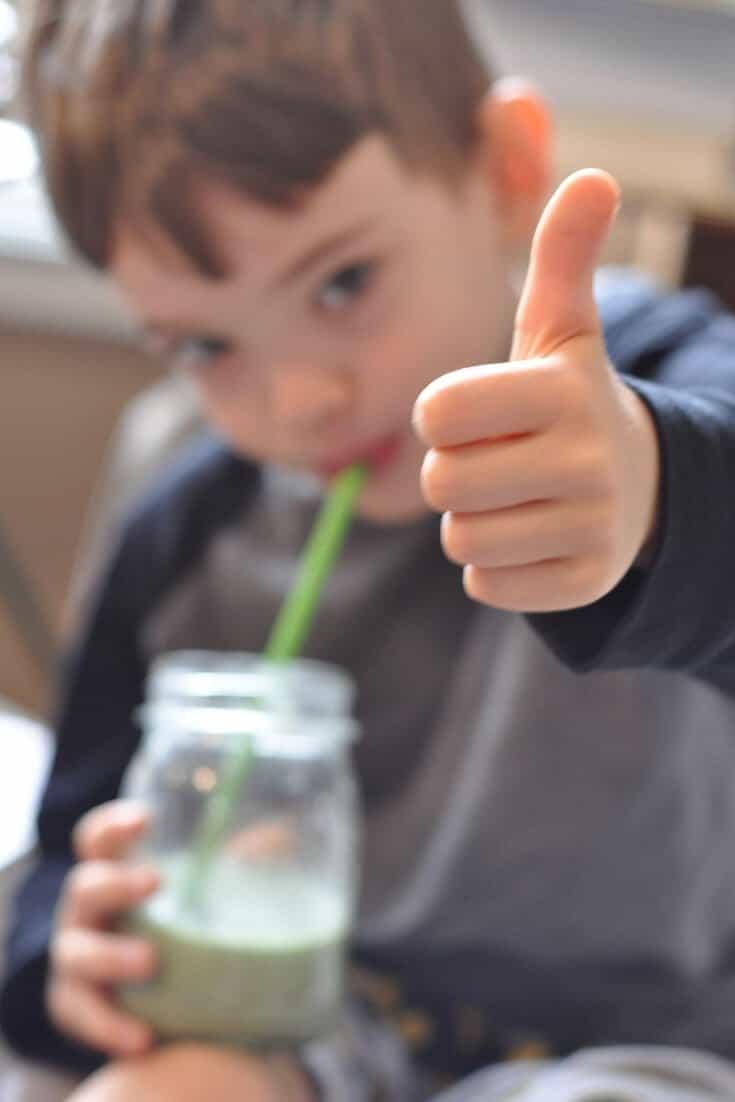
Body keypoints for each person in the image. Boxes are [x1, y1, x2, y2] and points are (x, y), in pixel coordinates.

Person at [3, 1, 735, 1099]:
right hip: (314, 1027)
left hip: (665, 1049)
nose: (300, 399)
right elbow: (74, 841)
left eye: (343, 282)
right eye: (207, 344)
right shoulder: (186, 501)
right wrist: (73, 941)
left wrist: (654, 489)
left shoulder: (657, 395)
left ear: (500, 169)